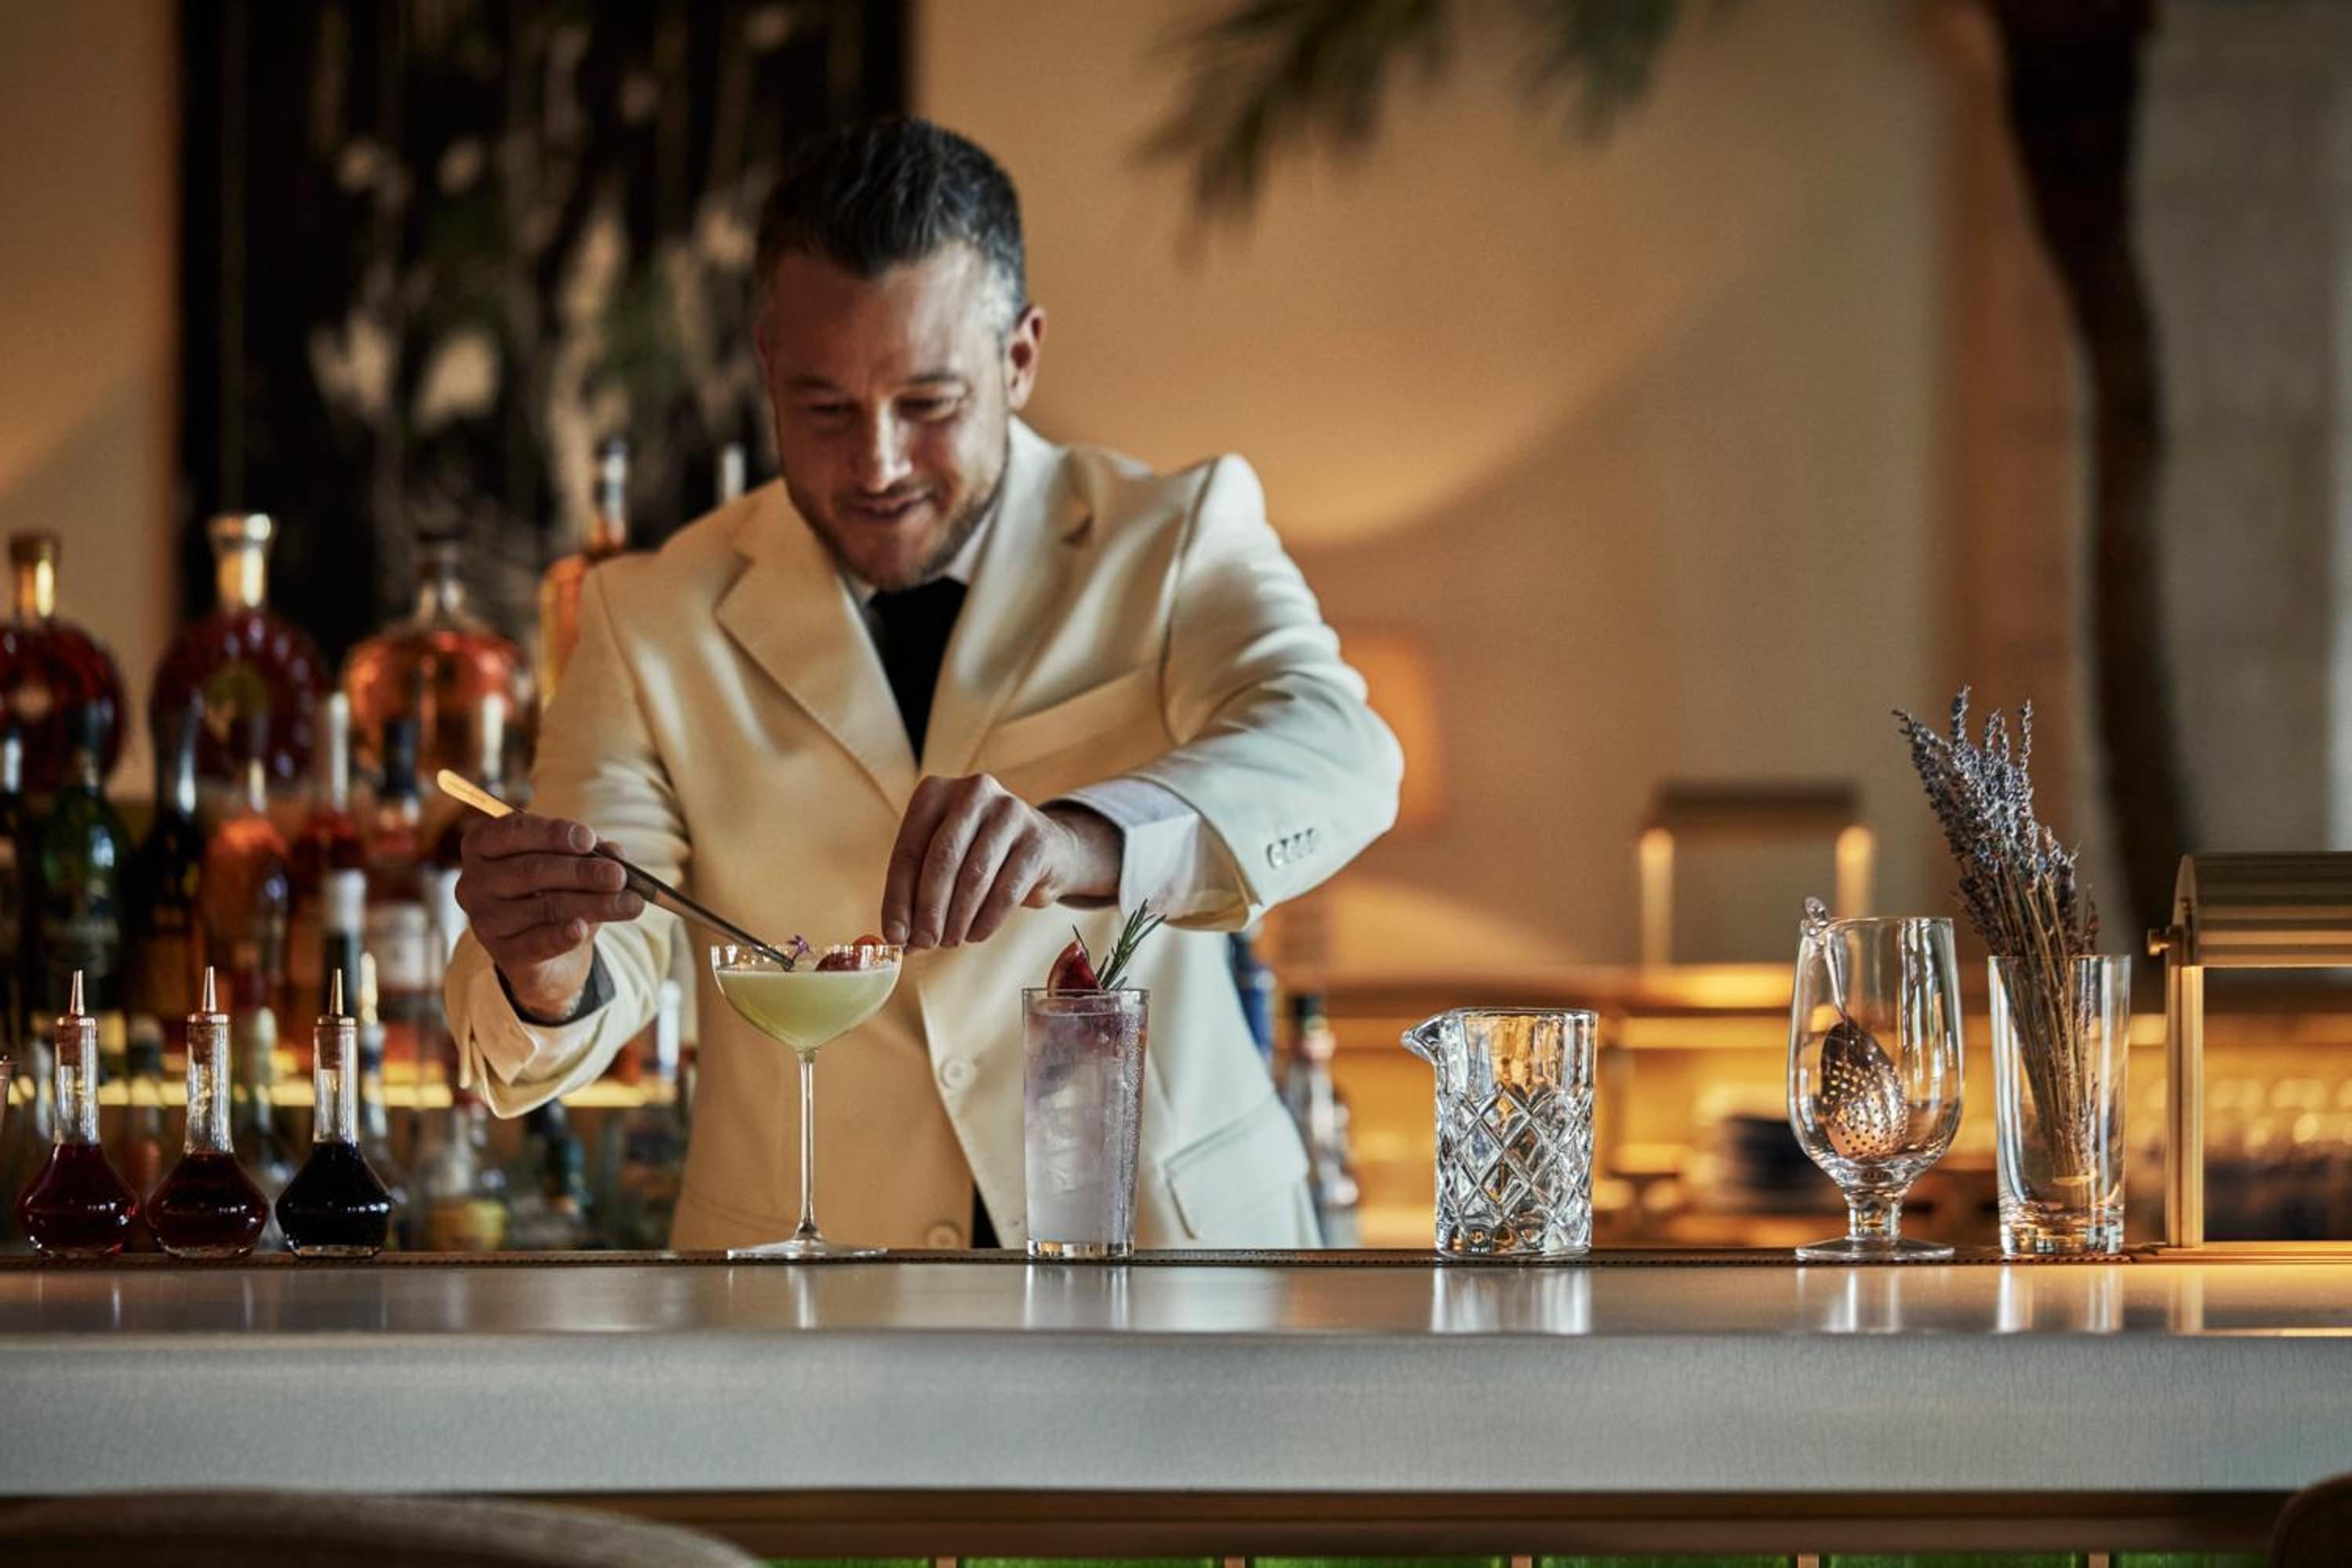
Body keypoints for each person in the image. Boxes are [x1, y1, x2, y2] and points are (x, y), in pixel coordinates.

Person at [443, 117, 1401, 1250]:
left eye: (930, 403)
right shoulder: (645, 616)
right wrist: (548, 970)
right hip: (808, 1302)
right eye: (826, 409)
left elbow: (1338, 750)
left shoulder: (1176, 535)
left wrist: (1077, 842)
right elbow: (587, 973)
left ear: (1020, 357)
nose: (879, 464)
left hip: (1170, 1266)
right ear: (767, 367)